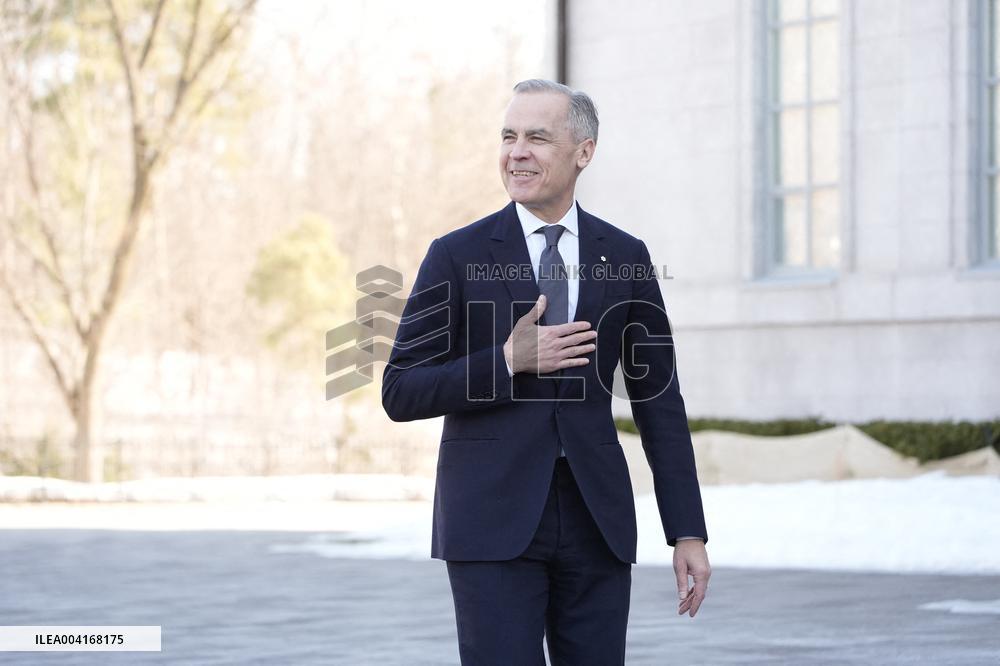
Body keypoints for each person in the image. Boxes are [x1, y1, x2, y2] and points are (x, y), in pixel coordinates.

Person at [381, 79, 710, 665]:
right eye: (508, 136)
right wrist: (509, 361)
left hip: (596, 519)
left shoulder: (627, 255)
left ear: (583, 151)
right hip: (491, 521)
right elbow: (400, 389)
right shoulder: (456, 255)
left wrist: (687, 531)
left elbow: (659, 401)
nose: (517, 152)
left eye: (537, 137)